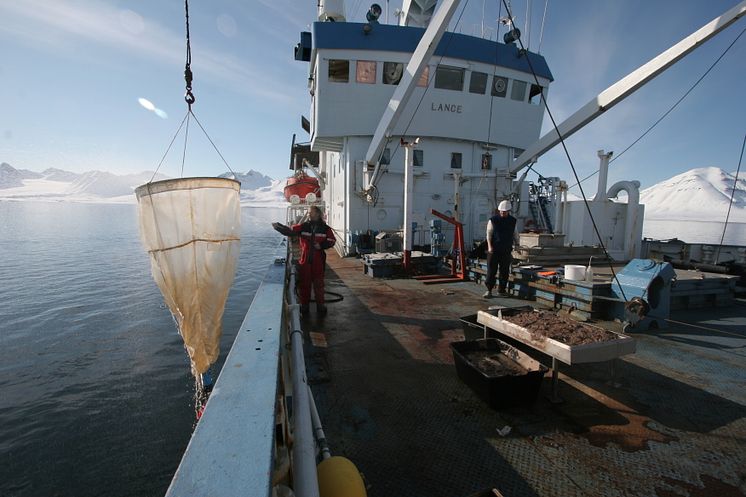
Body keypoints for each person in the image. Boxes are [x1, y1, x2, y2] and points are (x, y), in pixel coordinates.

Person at [273, 206, 336, 316]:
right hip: (305, 259)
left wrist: (321, 245)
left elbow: (331, 240)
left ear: (317, 213)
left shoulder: (325, 228)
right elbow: (291, 231)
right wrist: (279, 227)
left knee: (319, 284)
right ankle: (304, 307)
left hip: (318, 259)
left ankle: (320, 307)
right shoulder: (304, 226)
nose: (308, 214)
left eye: (310, 212)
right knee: (304, 284)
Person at [484, 200, 517, 298]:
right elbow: (489, 234)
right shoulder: (493, 220)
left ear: (508, 211)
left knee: (504, 271)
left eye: (505, 211)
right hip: (494, 249)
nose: (503, 213)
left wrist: (518, 243)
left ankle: (501, 290)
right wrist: (490, 246)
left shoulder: (512, 221)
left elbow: (515, 233)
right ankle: (489, 290)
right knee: (491, 270)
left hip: (506, 249)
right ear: (499, 211)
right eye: (501, 211)